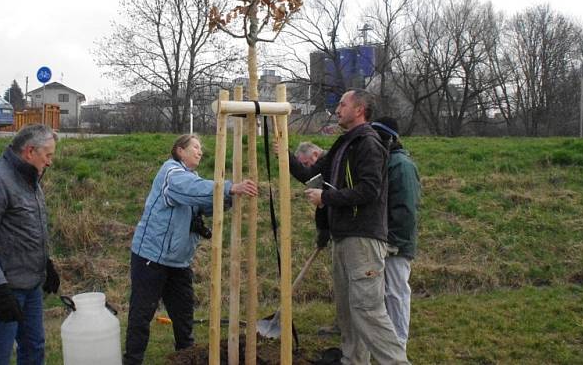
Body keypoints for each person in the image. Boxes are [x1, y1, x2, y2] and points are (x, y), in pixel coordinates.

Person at [289, 90, 409, 364]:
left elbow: (370, 190)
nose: (337, 108)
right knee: (348, 312)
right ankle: (353, 360)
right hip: (343, 237)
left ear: (360, 109)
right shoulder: (343, 144)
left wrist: (326, 198)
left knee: (368, 311)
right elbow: (310, 175)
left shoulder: (368, 143)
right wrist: (281, 149)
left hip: (363, 239)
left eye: (343, 104)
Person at [123, 134, 258, 365]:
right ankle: (133, 360)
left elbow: (205, 202)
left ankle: (185, 358)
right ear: (179, 151)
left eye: (201, 148)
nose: (200, 151)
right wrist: (229, 187)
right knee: (141, 315)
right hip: (151, 257)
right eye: (195, 147)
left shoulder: (192, 178)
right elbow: (191, 189)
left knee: (184, 315)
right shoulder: (171, 174)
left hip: (178, 262)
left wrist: (228, 197)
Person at [0, 124, 61, 365]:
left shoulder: (30, 177)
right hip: (6, 288)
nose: (50, 162)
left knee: (34, 347)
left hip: (31, 284)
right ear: (30, 152)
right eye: (47, 155)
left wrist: (45, 264)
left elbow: (28, 228)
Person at [371, 117, 421, 351]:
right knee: (384, 292)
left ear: (389, 139)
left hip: (397, 242)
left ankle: (399, 341)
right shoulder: (385, 162)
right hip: (382, 238)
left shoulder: (401, 165)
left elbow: (406, 209)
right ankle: (386, 338)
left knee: (397, 292)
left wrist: (395, 242)